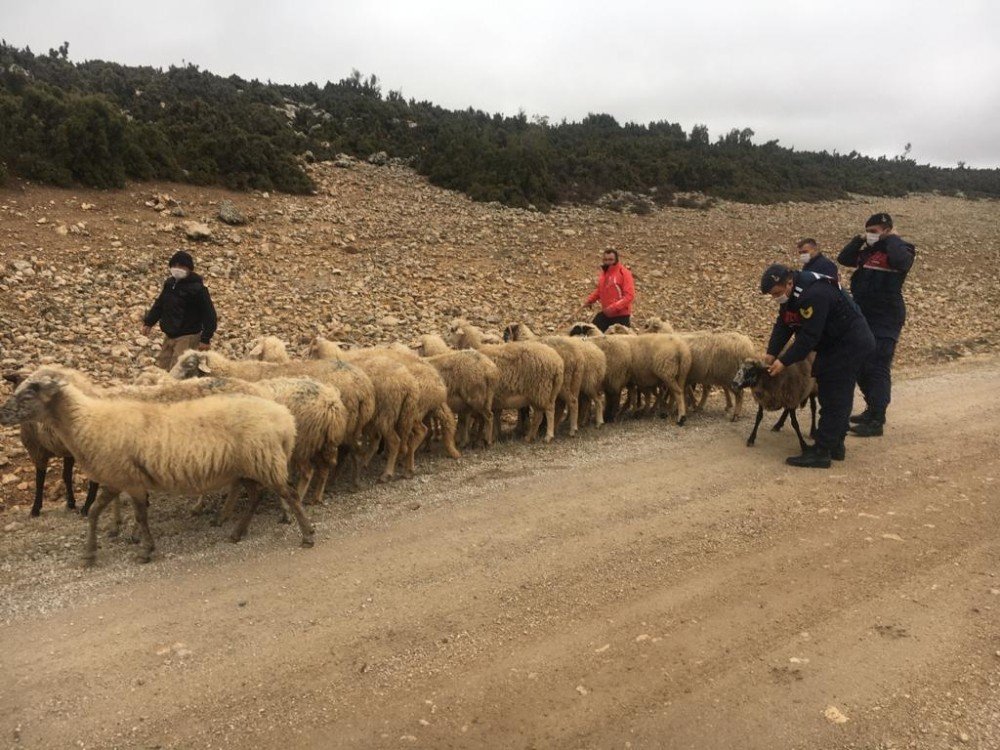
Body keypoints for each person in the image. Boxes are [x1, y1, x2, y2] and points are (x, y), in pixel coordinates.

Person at [760, 263, 875, 468]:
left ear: (788, 282)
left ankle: (822, 452)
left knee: (834, 395)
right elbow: (785, 324)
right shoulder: (793, 293)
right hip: (834, 343)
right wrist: (771, 353)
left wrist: (784, 361)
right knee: (833, 393)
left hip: (849, 343)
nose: (775, 298)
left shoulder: (815, 294)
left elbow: (809, 337)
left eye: (776, 293)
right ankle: (835, 446)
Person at [837, 212, 916, 437]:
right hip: (863, 316)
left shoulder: (901, 248)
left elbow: (902, 263)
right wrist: (859, 240)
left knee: (878, 365)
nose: (871, 235)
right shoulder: (868, 251)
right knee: (860, 363)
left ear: (887, 230)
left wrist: (891, 239)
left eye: (874, 232)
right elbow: (844, 258)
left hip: (887, 318)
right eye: (868, 231)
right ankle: (871, 408)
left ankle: (877, 419)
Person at [142, 250, 218, 370]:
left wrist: (205, 339)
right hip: (169, 335)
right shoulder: (170, 284)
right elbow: (160, 304)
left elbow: (209, 315)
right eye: (174, 265)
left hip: (187, 337)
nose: (177, 268)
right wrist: (149, 322)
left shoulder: (198, 290)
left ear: (189, 268)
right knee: (163, 368)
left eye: (181, 266)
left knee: (179, 371)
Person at [577, 248, 635, 331]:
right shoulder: (604, 274)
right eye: (605, 259)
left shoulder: (624, 273)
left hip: (621, 315)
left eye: (611, 259)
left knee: (620, 342)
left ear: (616, 260)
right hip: (607, 313)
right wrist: (590, 300)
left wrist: (613, 307)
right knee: (590, 332)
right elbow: (600, 290)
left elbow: (629, 296)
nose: (608, 262)